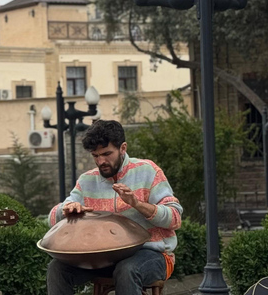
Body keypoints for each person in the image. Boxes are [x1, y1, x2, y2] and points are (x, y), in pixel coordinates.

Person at [46, 120, 183, 295]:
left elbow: (175, 218)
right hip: (101, 258)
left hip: (151, 254)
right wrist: (65, 210)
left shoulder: (148, 171)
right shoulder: (87, 181)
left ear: (123, 148)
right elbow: (51, 219)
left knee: (126, 270)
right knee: (57, 268)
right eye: (95, 156)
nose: (101, 161)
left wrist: (137, 204)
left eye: (106, 153)